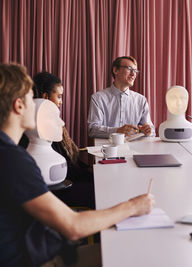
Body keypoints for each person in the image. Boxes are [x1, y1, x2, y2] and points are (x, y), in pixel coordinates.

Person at [0, 63, 155, 266]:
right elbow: (73, 226)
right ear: (19, 105)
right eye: (32, 98)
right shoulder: (13, 160)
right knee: (132, 256)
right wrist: (133, 206)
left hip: (38, 249)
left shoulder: (10, 153)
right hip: (39, 260)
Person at [32, 71, 93, 183]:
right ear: (45, 96)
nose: (61, 102)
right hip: (65, 180)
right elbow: (65, 166)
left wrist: (88, 169)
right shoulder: (44, 125)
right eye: (59, 97)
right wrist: (89, 172)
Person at [87, 56, 155, 138]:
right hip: (106, 149)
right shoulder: (98, 98)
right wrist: (117, 131)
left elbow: (152, 131)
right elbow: (92, 130)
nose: (133, 74)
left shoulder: (141, 100)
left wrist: (148, 131)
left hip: (134, 150)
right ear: (115, 70)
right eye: (129, 69)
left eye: (135, 71)